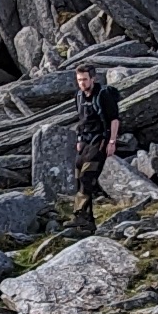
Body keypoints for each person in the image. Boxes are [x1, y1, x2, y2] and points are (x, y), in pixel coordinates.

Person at [68, 62, 124, 229]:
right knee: (79, 177)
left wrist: (112, 142)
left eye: (85, 79)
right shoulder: (78, 96)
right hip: (85, 141)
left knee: (87, 177)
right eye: (79, 80)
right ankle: (86, 219)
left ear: (93, 78)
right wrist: (79, 140)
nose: (82, 83)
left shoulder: (103, 95)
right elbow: (81, 120)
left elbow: (114, 119)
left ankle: (81, 217)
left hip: (100, 141)